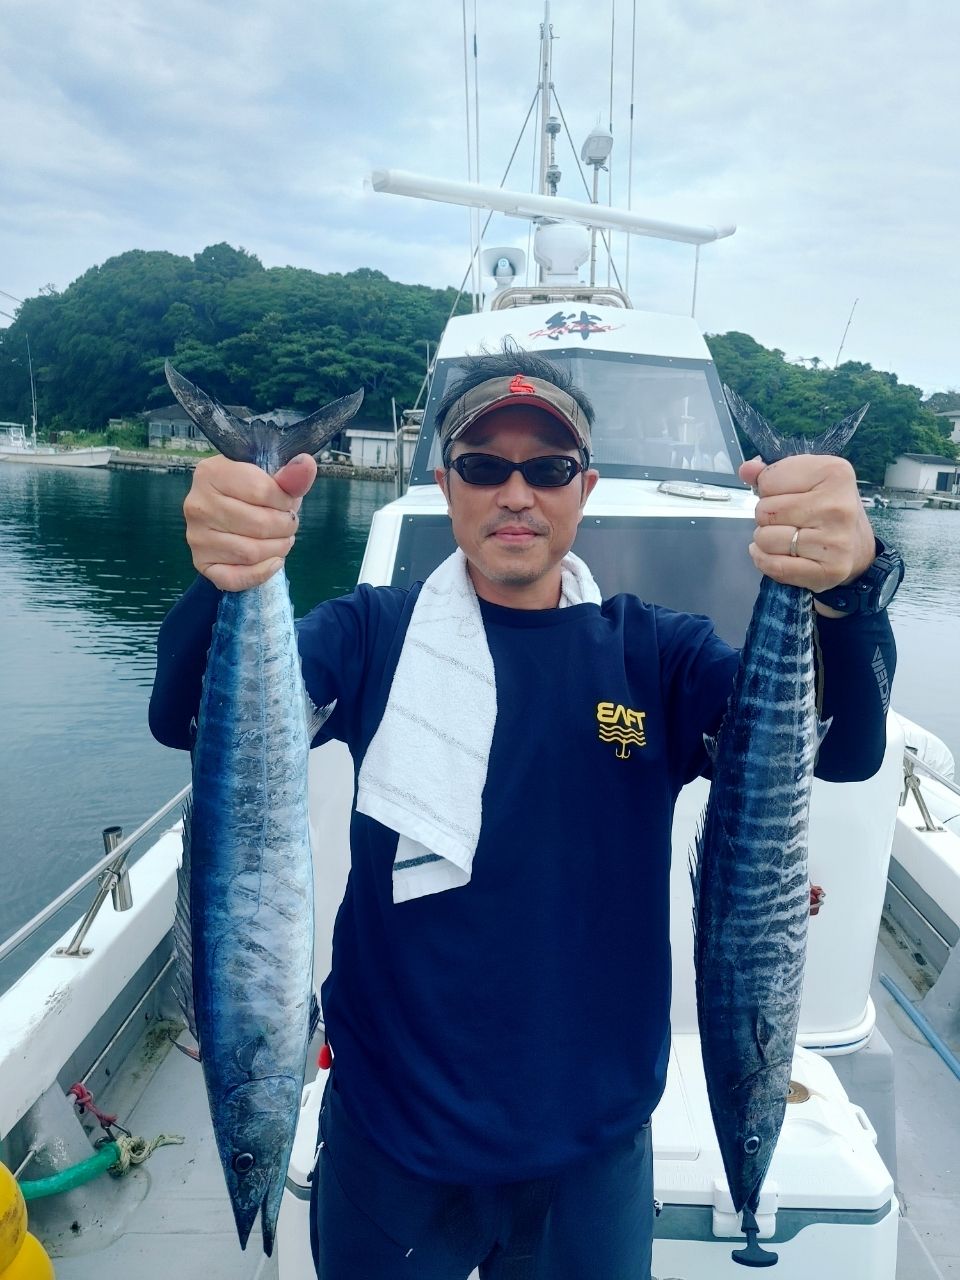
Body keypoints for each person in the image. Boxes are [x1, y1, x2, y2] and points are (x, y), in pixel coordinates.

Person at [150, 348, 898, 1279]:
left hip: (590, 1159)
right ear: (444, 482)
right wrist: (223, 574)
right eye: (482, 466)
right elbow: (185, 717)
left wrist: (851, 592)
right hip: (393, 1146)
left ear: (582, 486)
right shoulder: (373, 635)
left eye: (545, 469)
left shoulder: (653, 656)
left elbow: (845, 746)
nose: (516, 493)